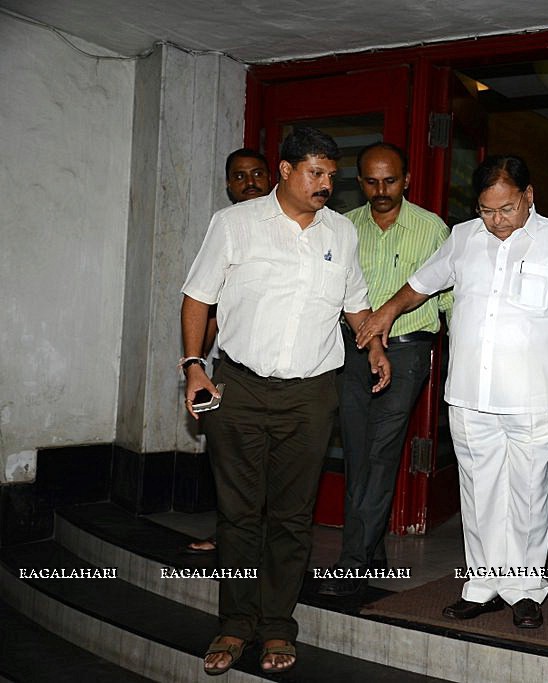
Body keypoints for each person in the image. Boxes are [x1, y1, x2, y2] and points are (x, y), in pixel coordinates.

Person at [355, 155, 548, 629]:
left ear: (529, 197)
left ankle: (526, 588)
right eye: (488, 211)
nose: (498, 222)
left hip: (535, 399)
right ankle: (484, 585)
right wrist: (386, 311)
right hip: (469, 394)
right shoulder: (465, 237)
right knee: (479, 492)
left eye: (508, 209)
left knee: (529, 496)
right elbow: (422, 284)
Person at [180, 127, 390, 676]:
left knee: (293, 518)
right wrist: (193, 367)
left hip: (312, 393)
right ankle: (234, 622)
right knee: (240, 514)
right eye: (315, 174)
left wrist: (375, 349)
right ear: (286, 170)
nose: (325, 185)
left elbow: (355, 305)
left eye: (331, 176)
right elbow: (197, 296)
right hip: (241, 388)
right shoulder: (235, 225)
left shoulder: (341, 234)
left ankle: (277, 625)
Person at [317, 142, 452, 598]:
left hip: (409, 351)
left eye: (390, 181)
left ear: (407, 180)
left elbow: (450, 300)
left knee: (380, 452)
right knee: (358, 451)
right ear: (359, 182)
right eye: (371, 182)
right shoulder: (345, 228)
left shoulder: (432, 229)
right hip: (352, 351)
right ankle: (372, 554)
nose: (381, 191)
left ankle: (352, 563)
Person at [187, 147, 273, 555]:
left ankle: (266, 540)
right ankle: (230, 534)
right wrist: (196, 365)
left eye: (257, 173)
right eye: (239, 176)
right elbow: (206, 304)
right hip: (230, 364)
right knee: (229, 456)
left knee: (274, 461)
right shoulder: (224, 227)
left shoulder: (287, 227)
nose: (249, 182)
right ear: (228, 185)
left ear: (273, 177)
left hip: (284, 371)